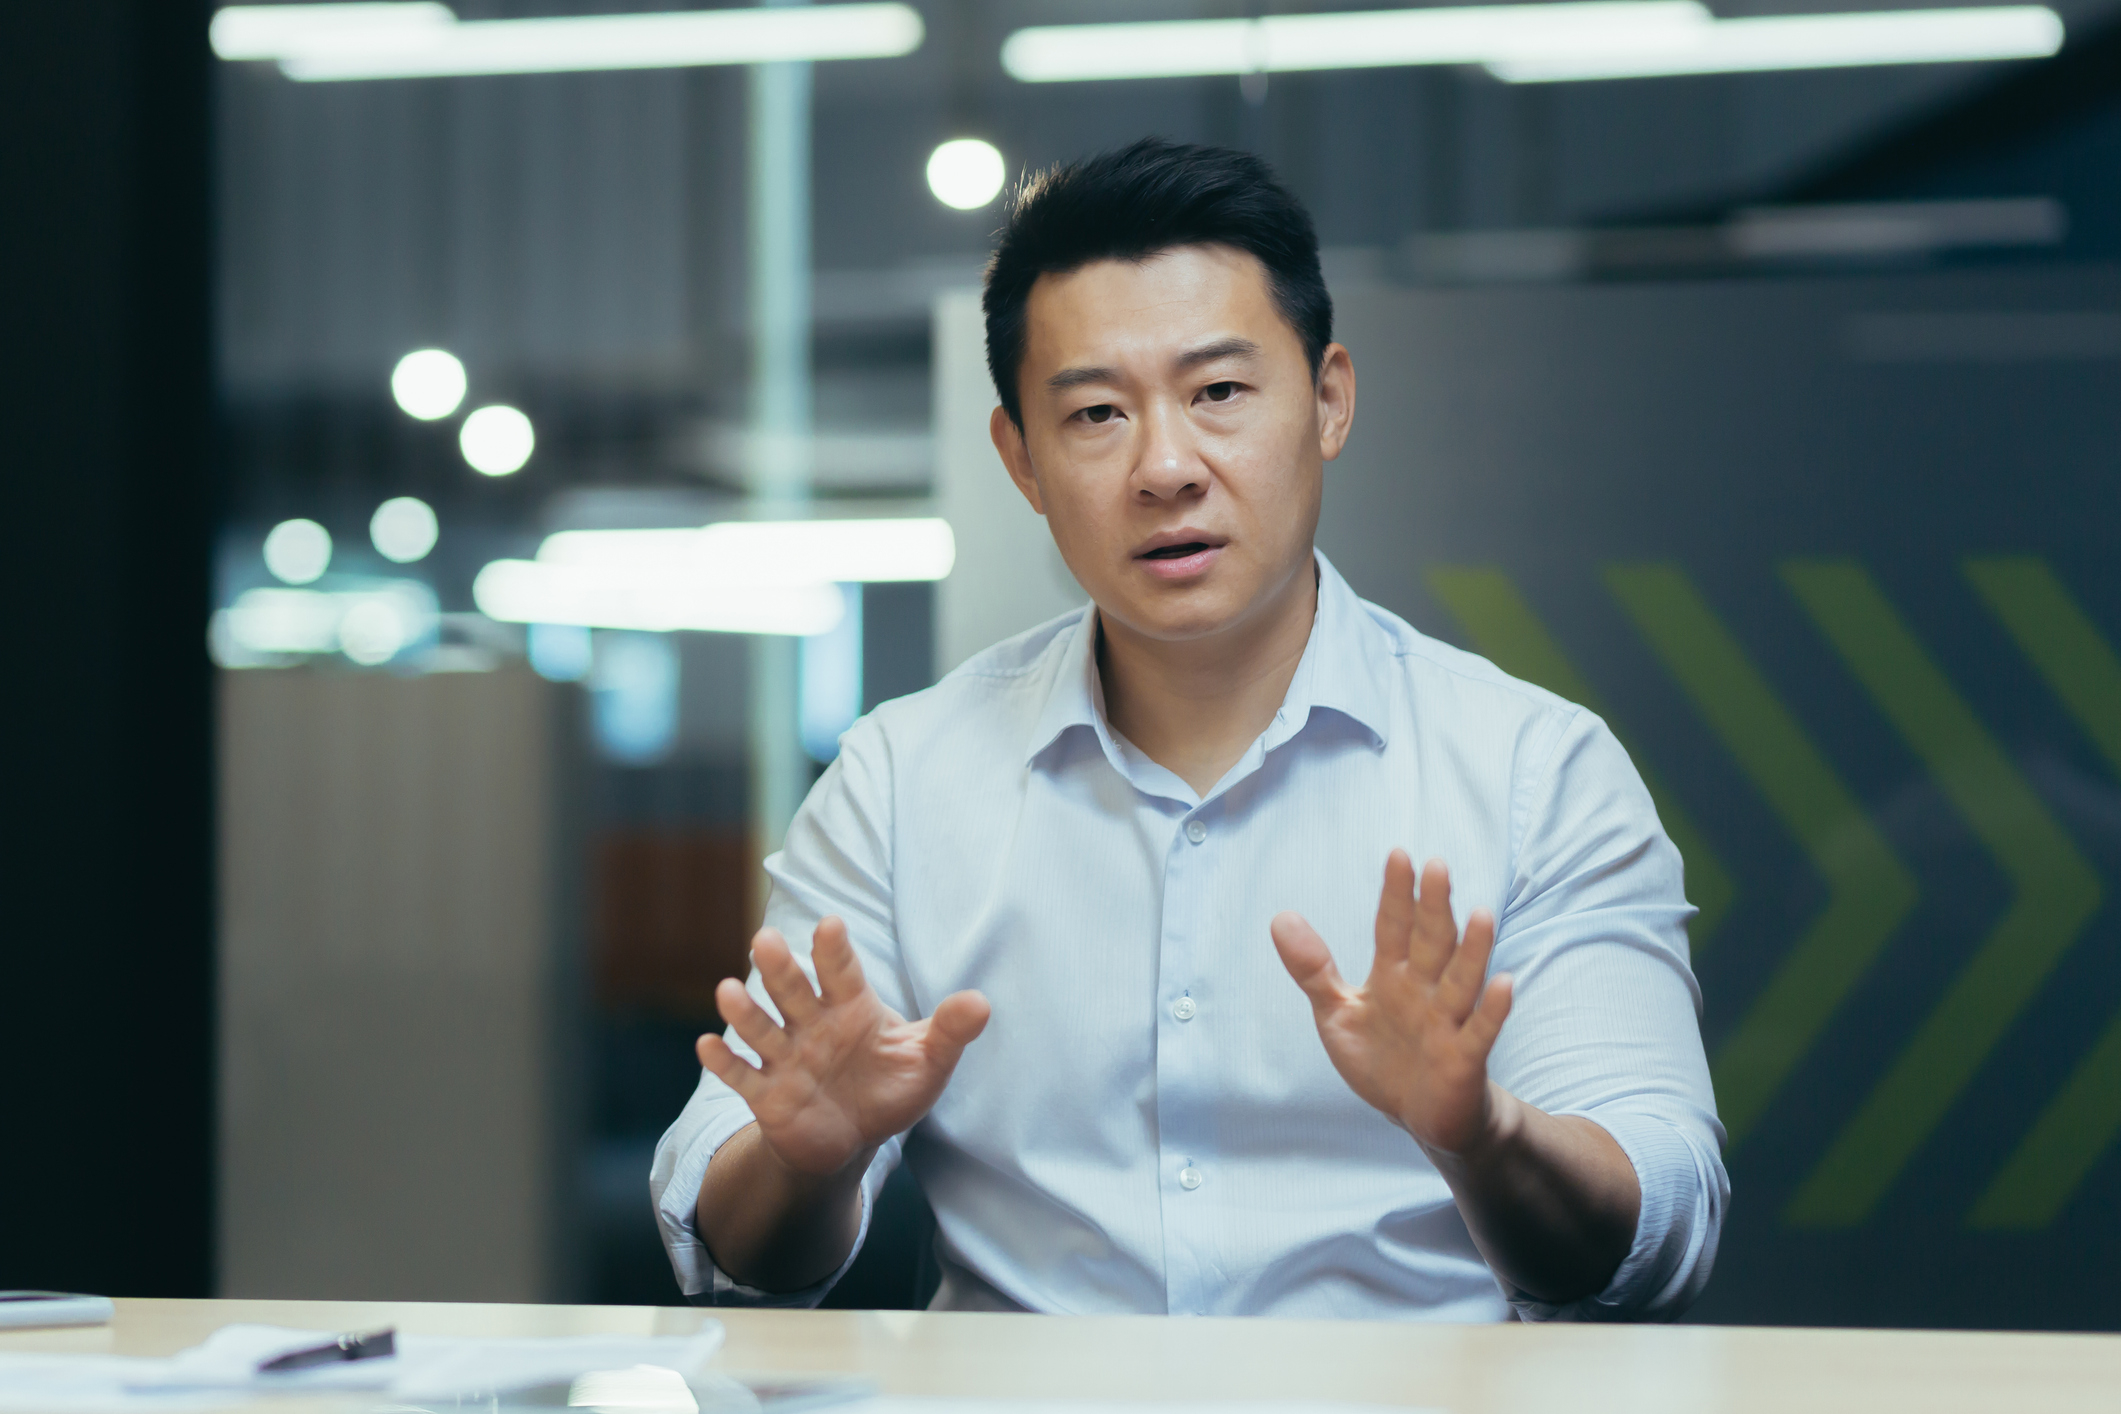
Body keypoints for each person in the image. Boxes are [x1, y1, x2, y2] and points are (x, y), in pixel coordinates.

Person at [652, 137, 1725, 1320]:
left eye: (1219, 392)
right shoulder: (903, 779)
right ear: (1020, 458)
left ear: (1328, 400)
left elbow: (1660, 1223)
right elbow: (729, 1238)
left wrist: (1487, 1135)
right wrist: (813, 1158)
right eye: (1098, 413)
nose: (1166, 467)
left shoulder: (1534, 769)